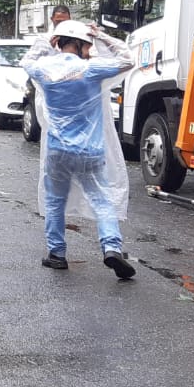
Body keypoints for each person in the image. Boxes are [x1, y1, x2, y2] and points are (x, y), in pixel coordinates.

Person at [26, 19, 136, 279]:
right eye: (87, 44)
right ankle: (111, 247)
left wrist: (46, 40)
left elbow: (26, 60)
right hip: (90, 151)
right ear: (79, 43)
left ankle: (57, 254)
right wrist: (103, 36)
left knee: (55, 202)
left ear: (58, 42)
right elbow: (127, 60)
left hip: (57, 150)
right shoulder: (91, 70)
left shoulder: (44, 70)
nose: (90, 48)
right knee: (102, 200)